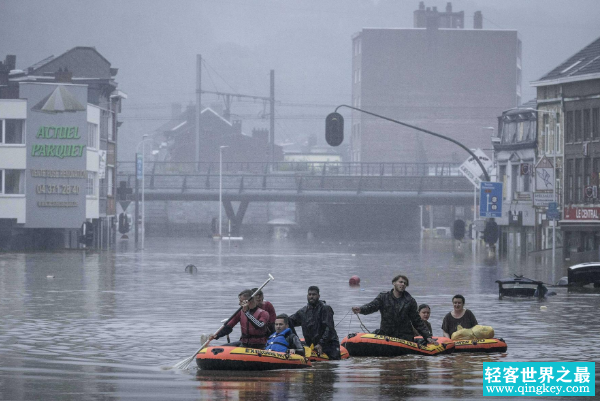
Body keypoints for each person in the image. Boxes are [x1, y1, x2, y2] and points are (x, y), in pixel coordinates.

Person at [352, 274, 436, 344]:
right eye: (400, 282)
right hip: (386, 334)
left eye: (405, 283)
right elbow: (372, 306)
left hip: (404, 336)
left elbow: (417, 321)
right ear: (394, 283)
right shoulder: (383, 297)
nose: (403, 284)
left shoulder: (410, 301)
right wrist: (361, 309)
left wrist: (427, 337)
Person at [289, 286, 341, 360]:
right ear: (307, 296)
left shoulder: (325, 309)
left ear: (318, 296)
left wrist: (321, 344)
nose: (311, 297)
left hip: (329, 344)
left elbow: (329, 328)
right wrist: (295, 341)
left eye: (314, 295)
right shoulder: (303, 312)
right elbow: (288, 321)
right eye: (309, 294)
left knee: (333, 363)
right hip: (312, 344)